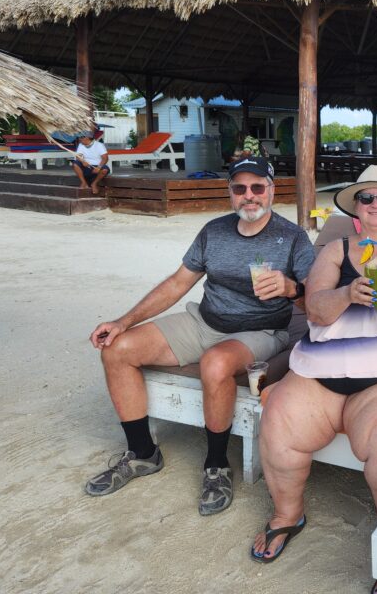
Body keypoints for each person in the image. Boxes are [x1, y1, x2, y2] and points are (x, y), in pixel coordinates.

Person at [253, 165, 377, 594]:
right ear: (355, 207)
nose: (375, 204)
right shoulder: (338, 249)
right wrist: (347, 293)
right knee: (280, 420)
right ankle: (288, 515)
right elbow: (316, 308)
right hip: (325, 365)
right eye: (367, 198)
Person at [85, 156, 314, 514]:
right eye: (240, 188)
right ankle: (143, 454)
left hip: (262, 329)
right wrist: (123, 321)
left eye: (257, 187)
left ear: (271, 190)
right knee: (117, 349)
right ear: (230, 193)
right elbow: (179, 283)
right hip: (204, 321)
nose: (249, 196)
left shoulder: (292, 237)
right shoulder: (213, 231)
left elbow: (317, 297)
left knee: (216, 363)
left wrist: (290, 288)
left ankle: (217, 465)